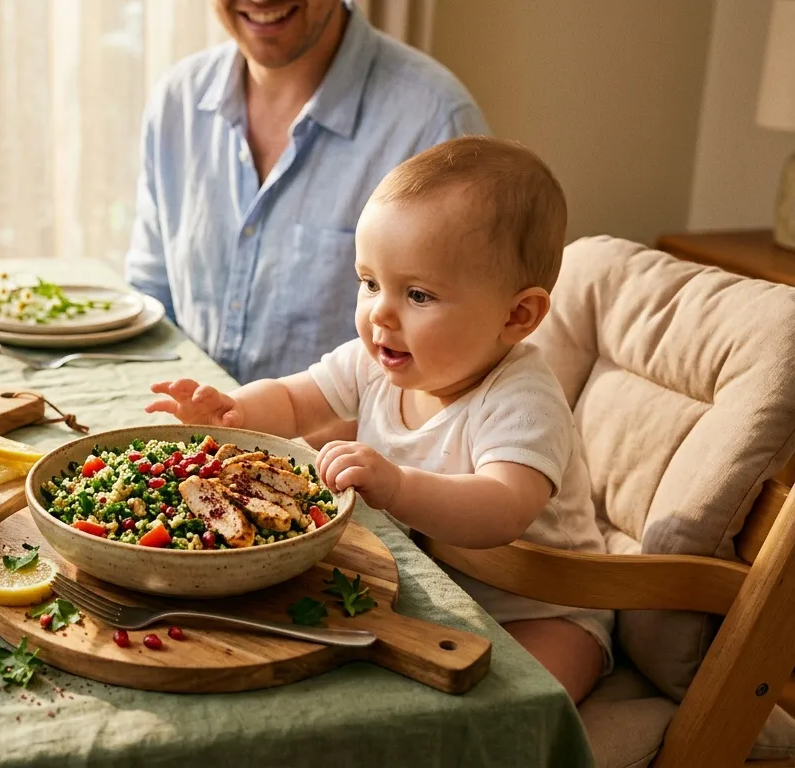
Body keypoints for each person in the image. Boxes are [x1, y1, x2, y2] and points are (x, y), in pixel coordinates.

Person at [144, 136, 612, 703]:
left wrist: (397, 484)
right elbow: (295, 400)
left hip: (541, 608)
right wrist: (233, 410)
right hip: (424, 586)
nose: (380, 313)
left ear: (518, 315)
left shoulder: (521, 398)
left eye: (417, 294)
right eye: (369, 283)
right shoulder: (378, 360)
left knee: (514, 710)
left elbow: (501, 510)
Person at [126, 0, 488, 386]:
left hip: (340, 446)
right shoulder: (177, 102)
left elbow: (466, 365)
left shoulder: (434, 123)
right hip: (187, 438)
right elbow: (151, 303)